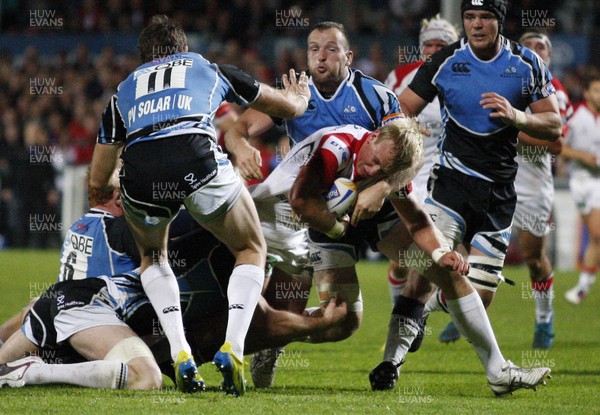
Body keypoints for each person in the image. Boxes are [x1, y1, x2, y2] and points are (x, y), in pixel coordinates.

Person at [89, 15, 310, 396]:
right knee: (249, 248)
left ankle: (180, 351)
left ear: (144, 58)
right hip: (197, 159)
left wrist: (113, 189)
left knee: (154, 258)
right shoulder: (206, 67)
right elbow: (285, 108)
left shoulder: (122, 92)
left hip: (141, 174)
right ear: (184, 49)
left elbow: (97, 181)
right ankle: (234, 349)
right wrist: (300, 98)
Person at [373, 0, 561, 393]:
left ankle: (425, 314)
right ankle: (390, 363)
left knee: (482, 296)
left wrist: (518, 116)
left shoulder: (527, 64)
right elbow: (402, 109)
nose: (476, 25)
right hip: (450, 187)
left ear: (500, 21)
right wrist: (404, 134)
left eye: (485, 17)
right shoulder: (444, 61)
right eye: (470, 17)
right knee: (424, 276)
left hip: (499, 196)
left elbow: (554, 126)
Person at [289, 116, 552, 396]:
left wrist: (441, 252)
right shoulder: (337, 147)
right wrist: (337, 226)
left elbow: (416, 221)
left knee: (448, 275)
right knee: (341, 321)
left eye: (383, 168)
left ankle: (498, 371)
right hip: (326, 224)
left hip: (380, 218)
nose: (373, 169)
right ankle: (273, 336)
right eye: (375, 160)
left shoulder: (392, 162)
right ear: (375, 135)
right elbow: (301, 202)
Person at [225, 21, 401, 388]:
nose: (321, 56)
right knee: (322, 316)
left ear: (348, 57)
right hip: (300, 218)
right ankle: (256, 340)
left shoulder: (377, 97)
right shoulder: (294, 97)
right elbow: (236, 130)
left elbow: (406, 156)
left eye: (331, 48)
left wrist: (382, 186)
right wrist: (241, 148)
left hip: (355, 213)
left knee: (344, 323)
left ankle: (269, 334)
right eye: (313, 48)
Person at [383, 14, 460, 313]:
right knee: (403, 259)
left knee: (440, 255)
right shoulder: (401, 77)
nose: (435, 49)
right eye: (430, 44)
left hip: (453, 176)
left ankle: (414, 315)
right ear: (421, 47)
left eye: (442, 44)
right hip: (411, 172)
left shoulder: (465, 77)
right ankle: (401, 313)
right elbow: (385, 121)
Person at [0, 272, 163, 391]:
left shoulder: (89, 228)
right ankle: (34, 372)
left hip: (62, 295)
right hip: (87, 308)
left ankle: (26, 369)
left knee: (2, 365)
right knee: (146, 377)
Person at [562, 71, 600, 304]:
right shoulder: (576, 116)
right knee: (597, 235)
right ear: (586, 93)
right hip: (582, 182)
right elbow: (558, 146)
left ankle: (584, 284)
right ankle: (585, 282)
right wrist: (581, 156)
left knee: (597, 235)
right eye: (596, 90)